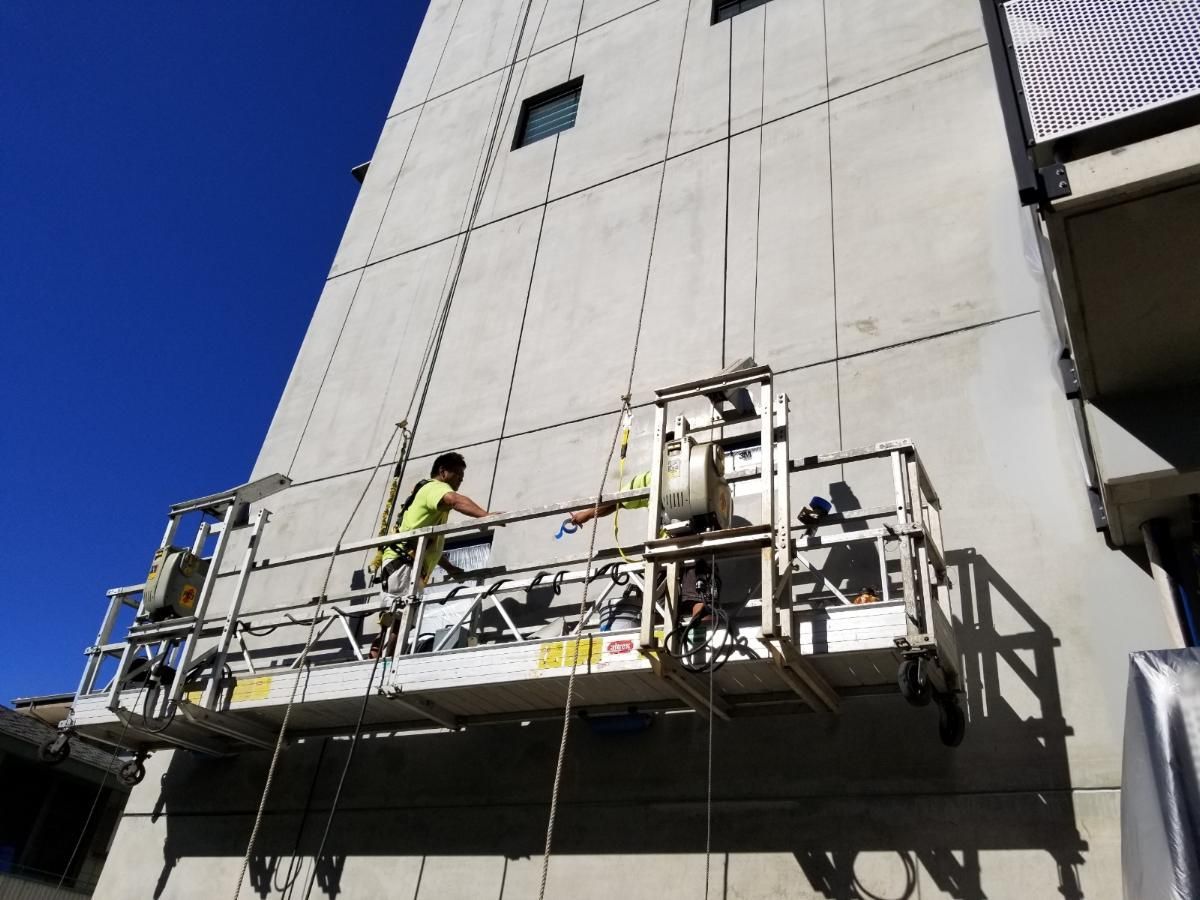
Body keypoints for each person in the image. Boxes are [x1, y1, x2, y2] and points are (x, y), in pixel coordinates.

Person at [371, 451, 498, 657]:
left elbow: (428, 544)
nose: (459, 482)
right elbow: (454, 500)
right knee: (399, 619)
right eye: (458, 476)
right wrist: (485, 517)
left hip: (405, 564)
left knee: (397, 618)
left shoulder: (429, 501)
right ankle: (383, 665)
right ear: (443, 472)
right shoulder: (434, 488)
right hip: (404, 565)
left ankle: (381, 661)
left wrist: (449, 567)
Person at [566, 471, 718, 629]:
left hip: (694, 540)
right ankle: (667, 623)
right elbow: (618, 500)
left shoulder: (701, 471)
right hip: (665, 545)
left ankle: (699, 611)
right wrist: (588, 514)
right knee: (657, 592)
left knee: (697, 565)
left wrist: (587, 514)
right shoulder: (655, 476)